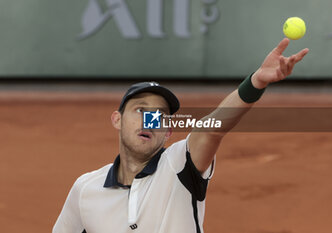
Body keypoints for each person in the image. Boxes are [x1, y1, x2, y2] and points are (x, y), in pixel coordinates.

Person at [53, 38, 309, 233]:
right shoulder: (85, 189)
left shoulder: (179, 164)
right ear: (117, 120)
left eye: (159, 115)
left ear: (168, 131)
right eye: (141, 110)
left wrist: (255, 83)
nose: (149, 121)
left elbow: (213, 128)